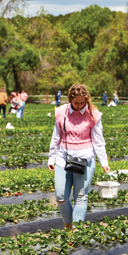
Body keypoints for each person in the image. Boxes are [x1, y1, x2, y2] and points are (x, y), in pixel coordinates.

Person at [48, 84, 111, 229]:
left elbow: (98, 140)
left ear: (86, 99)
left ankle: (75, 230)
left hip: (85, 159)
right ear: (70, 99)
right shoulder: (61, 112)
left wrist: (103, 161)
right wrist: (52, 157)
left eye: (82, 102)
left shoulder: (93, 114)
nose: (79, 105)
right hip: (63, 158)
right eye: (76, 102)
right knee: (60, 196)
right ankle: (68, 225)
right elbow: (56, 137)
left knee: (81, 196)